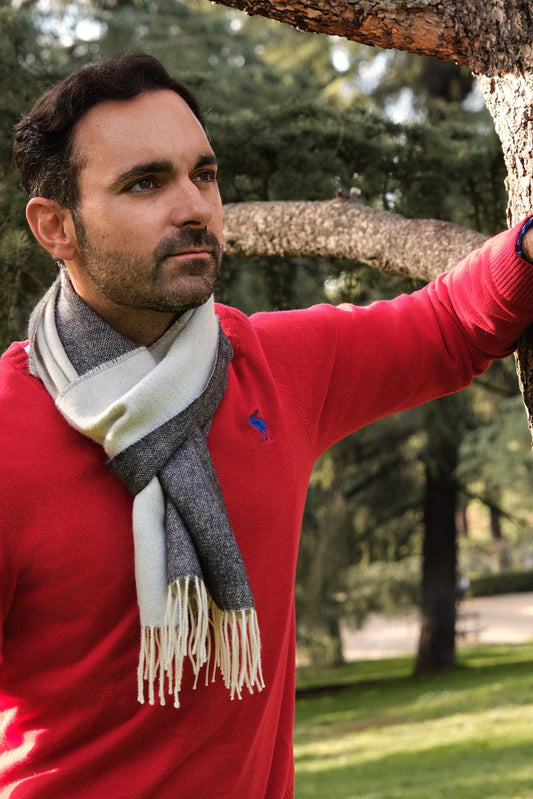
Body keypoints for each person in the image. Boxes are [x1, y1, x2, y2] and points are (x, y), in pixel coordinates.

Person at [1, 52, 533, 799]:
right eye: (145, 182)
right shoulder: (9, 432)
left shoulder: (272, 365)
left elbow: (448, 325)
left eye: (204, 174)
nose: (193, 206)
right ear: (55, 226)